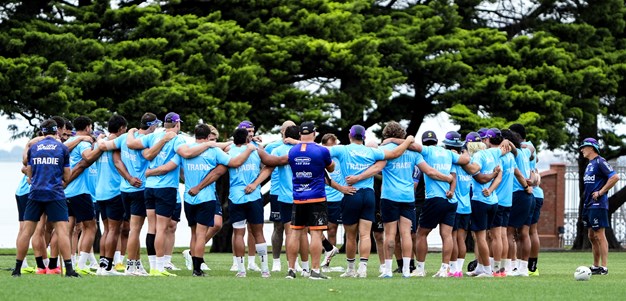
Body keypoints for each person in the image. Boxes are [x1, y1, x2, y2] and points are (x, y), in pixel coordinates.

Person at [333, 124, 415, 278]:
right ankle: (363, 269)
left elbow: (321, 153)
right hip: (369, 195)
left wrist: (339, 187)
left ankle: (351, 269)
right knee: (365, 235)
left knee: (351, 236)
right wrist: (407, 140)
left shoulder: (342, 149)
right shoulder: (373, 151)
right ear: (364, 137)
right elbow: (395, 154)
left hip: (351, 193)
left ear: (349, 136)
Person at [377, 123, 454, 278]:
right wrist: (448, 178)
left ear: (386, 134)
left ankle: (387, 270)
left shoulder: (382, 149)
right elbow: (430, 171)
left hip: (389, 196)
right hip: (407, 196)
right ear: (402, 134)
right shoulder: (413, 152)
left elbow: (375, 168)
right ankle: (406, 270)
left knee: (390, 234)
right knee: (406, 234)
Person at [13, 119, 79, 277]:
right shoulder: (62, 148)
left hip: (35, 193)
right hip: (55, 193)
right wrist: (62, 183)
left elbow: (29, 173)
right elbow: (67, 174)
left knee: (26, 232)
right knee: (62, 231)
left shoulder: (33, 147)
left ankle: (17, 269)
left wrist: (33, 181)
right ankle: (69, 270)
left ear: (42, 132)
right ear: (56, 131)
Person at [284, 121, 335, 280]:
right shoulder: (322, 151)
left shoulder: (292, 151)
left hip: (298, 197)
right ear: (314, 133)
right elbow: (331, 168)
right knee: (316, 233)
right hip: (317, 197)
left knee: (294, 233)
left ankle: (291, 270)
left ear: (300, 134)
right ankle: (315, 270)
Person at [579, 137, 619, 275]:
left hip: (598, 204)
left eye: (583, 147)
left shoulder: (600, 162)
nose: (581, 150)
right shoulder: (589, 165)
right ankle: (595, 266)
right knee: (591, 235)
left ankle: (604, 267)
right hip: (588, 204)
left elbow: (614, 177)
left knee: (599, 234)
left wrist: (601, 192)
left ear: (591, 148)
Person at [264, 120, 297, 272]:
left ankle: (294, 261)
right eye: (286, 129)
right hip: (277, 190)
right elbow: (265, 165)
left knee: (296, 228)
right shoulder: (273, 147)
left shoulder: (300, 146)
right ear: (282, 131)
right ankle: (276, 261)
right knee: (278, 227)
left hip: (296, 191)